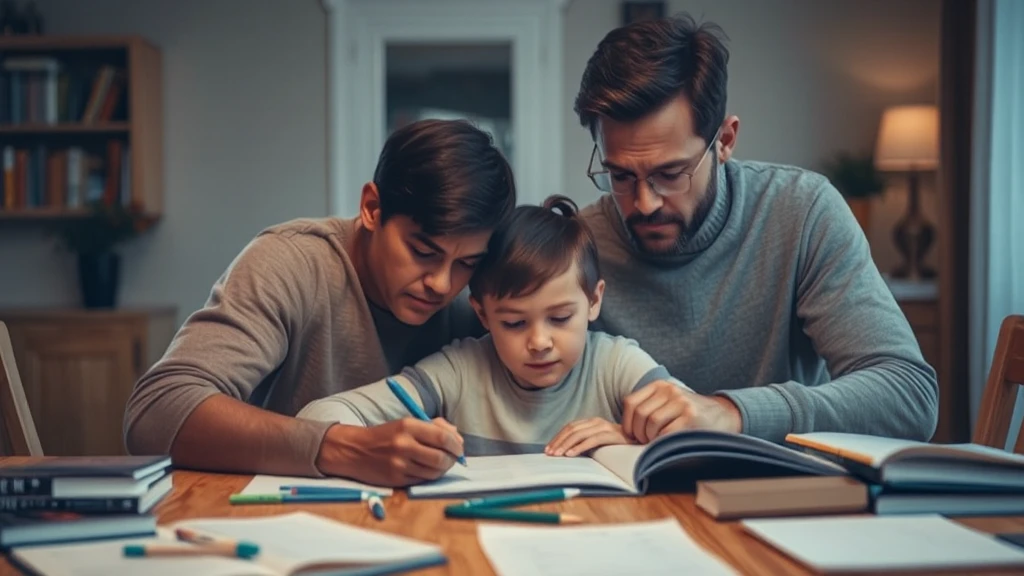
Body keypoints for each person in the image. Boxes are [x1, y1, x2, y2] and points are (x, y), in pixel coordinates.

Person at [573, 14, 939, 445]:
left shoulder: (802, 213)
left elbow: (909, 395)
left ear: (725, 141)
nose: (645, 203)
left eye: (670, 174)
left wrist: (732, 413)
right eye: (620, 176)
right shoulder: (578, 246)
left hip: (783, 486)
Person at [123, 119, 517, 484]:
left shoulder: (477, 299)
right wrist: (345, 448)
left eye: (466, 263)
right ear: (372, 208)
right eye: (423, 252)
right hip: (281, 517)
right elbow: (156, 411)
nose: (442, 285)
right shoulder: (289, 263)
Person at [296, 195, 692, 481]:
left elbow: (701, 432)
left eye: (560, 318)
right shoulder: (459, 371)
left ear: (593, 301)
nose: (540, 342)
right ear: (483, 314)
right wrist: (384, 443)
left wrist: (628, 435)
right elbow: (319, 415)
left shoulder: (616, 364)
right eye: (515, 323)